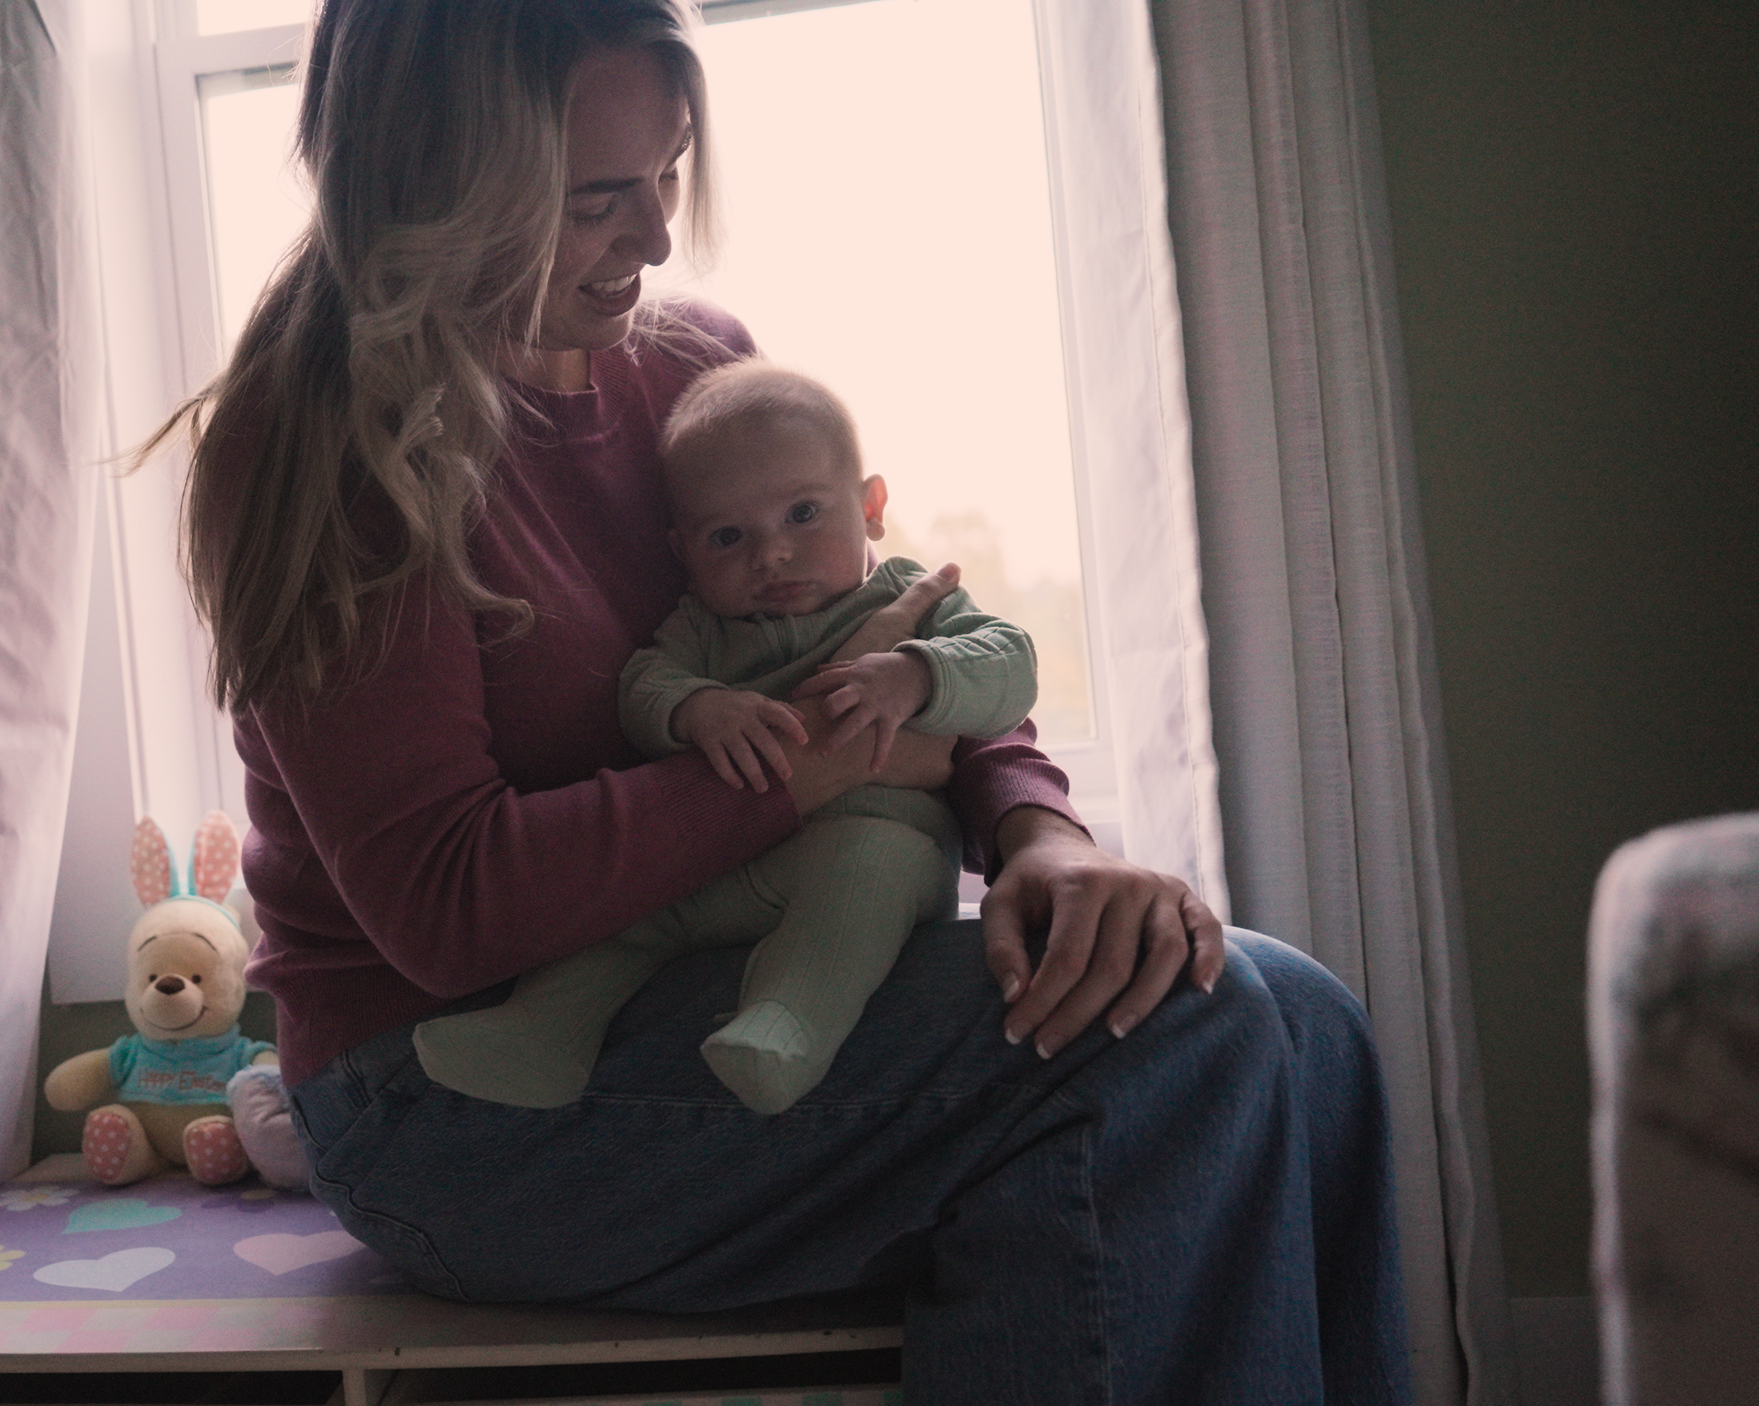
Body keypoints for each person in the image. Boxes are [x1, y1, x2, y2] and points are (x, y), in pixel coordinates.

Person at [172, 2, 1411, 1401]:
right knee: (1188, 1036)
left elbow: (878, 626)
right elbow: (448, 907)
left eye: (670, 174)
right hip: (448, 1091)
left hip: (697, 981)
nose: (651, 239)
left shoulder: (694, 369)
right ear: (442, 183)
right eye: (595, 201)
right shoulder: (337, 450)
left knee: (1301, 1016)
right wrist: (813, 763)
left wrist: (1041, 840)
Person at [413, 361, 1039, 1114]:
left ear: (870, 506)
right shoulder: (704, 627)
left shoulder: (907, 595)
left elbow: (1011, 664)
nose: (769, 554)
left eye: (803, 515)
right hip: (726, 862)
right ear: (683, 550)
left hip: (866, 853)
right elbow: (644, 683)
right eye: (728, 536)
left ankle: (789, 1028)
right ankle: (540, 1034)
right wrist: (697, 708)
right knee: (620, 912)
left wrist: (916, 674)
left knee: (863, 875)